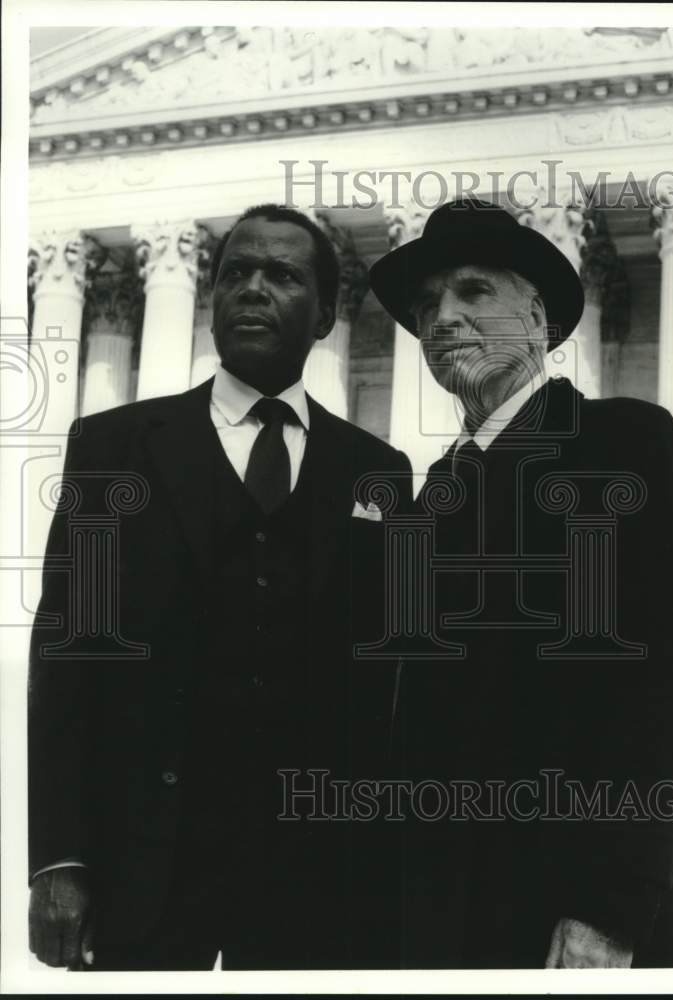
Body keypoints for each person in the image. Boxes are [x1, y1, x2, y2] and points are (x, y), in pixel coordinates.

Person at [28, 204, 412, 971]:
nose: (252, 290)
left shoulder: (381, 471)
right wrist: (59, 858)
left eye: (281, 276)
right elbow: (68, 659)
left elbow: (388, 690)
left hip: (316, 881)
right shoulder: (113, 448)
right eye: (235, 273)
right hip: (147, 868)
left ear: (328, 315)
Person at [369, 197, 673, 969]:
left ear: (539, 317)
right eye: (426, 306)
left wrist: (611, 910)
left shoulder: (626, 444)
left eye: (473, 292)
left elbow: (660, 688)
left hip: (568, 912)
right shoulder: (432, 494)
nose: (442, 319)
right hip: (437, 914)